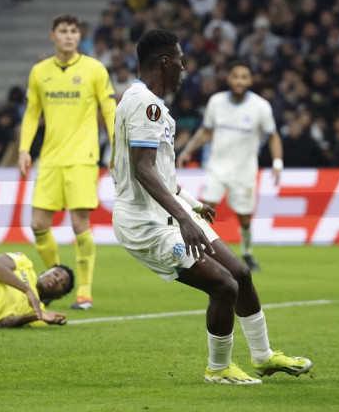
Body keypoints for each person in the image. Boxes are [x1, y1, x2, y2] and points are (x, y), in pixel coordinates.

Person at [111, 29, 310, 384]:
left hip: (171, 211)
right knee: (224, 286)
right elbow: (142, 170)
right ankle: (218, 370)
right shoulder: (146, 105)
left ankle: (263, 357)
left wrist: (192, 204)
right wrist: (185, 218)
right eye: (181, 62)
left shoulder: (145, 101)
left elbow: (161, 173)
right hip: (145, 223)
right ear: (165, 62)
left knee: (241, 274)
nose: (184, 70)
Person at [18, 14, 117, 311]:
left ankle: (84, 290)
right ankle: (57, 277)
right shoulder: (39, 72)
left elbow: (109, 109)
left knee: (79, 223)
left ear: (78, 36)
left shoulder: (94, 69)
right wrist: (24, 149)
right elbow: (32, 113)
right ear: (53, 36)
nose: (69, 36)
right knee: (38, 225)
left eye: (74, 31)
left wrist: (117, 147)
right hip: (49, 158)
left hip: (82, 158)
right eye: (63, 31)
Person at [177, 60, 283, 272]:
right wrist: (188, 150)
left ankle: (247, 252)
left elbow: (273, 136)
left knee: (244, 219)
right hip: (217, 167)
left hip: (244, 171)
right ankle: (200, 253)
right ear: (229, 79)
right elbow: (206, 131)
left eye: (244, 77)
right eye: (236, 76)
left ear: (250, 80)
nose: (239, 81)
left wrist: (277, 163)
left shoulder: (260, 106)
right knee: (204, 210)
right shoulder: (216, 102)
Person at [0, 252, 74, 329]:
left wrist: (36, 317)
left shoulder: (37, 311)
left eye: (62, 284)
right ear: (43, 273)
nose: (56, 280)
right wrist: (27, 290)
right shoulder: (25, 263)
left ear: (57, 297)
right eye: (56, 274)